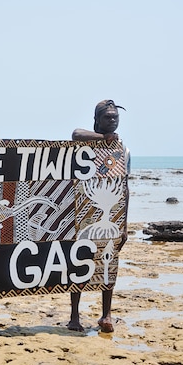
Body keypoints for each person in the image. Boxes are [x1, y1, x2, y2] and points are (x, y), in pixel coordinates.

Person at [68, 99, 128, 333]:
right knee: (79, 262)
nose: (112, 120)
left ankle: (107, 315)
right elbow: (75, 133)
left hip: (113, 214)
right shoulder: (89, 141)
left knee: (109, 263)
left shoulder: (121, 150)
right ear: (97, 120)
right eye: (108, 117)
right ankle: (74, 316)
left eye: (115, 117)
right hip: (82, 211)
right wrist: (103, 139)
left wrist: (124, 224)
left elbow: (124, 187)